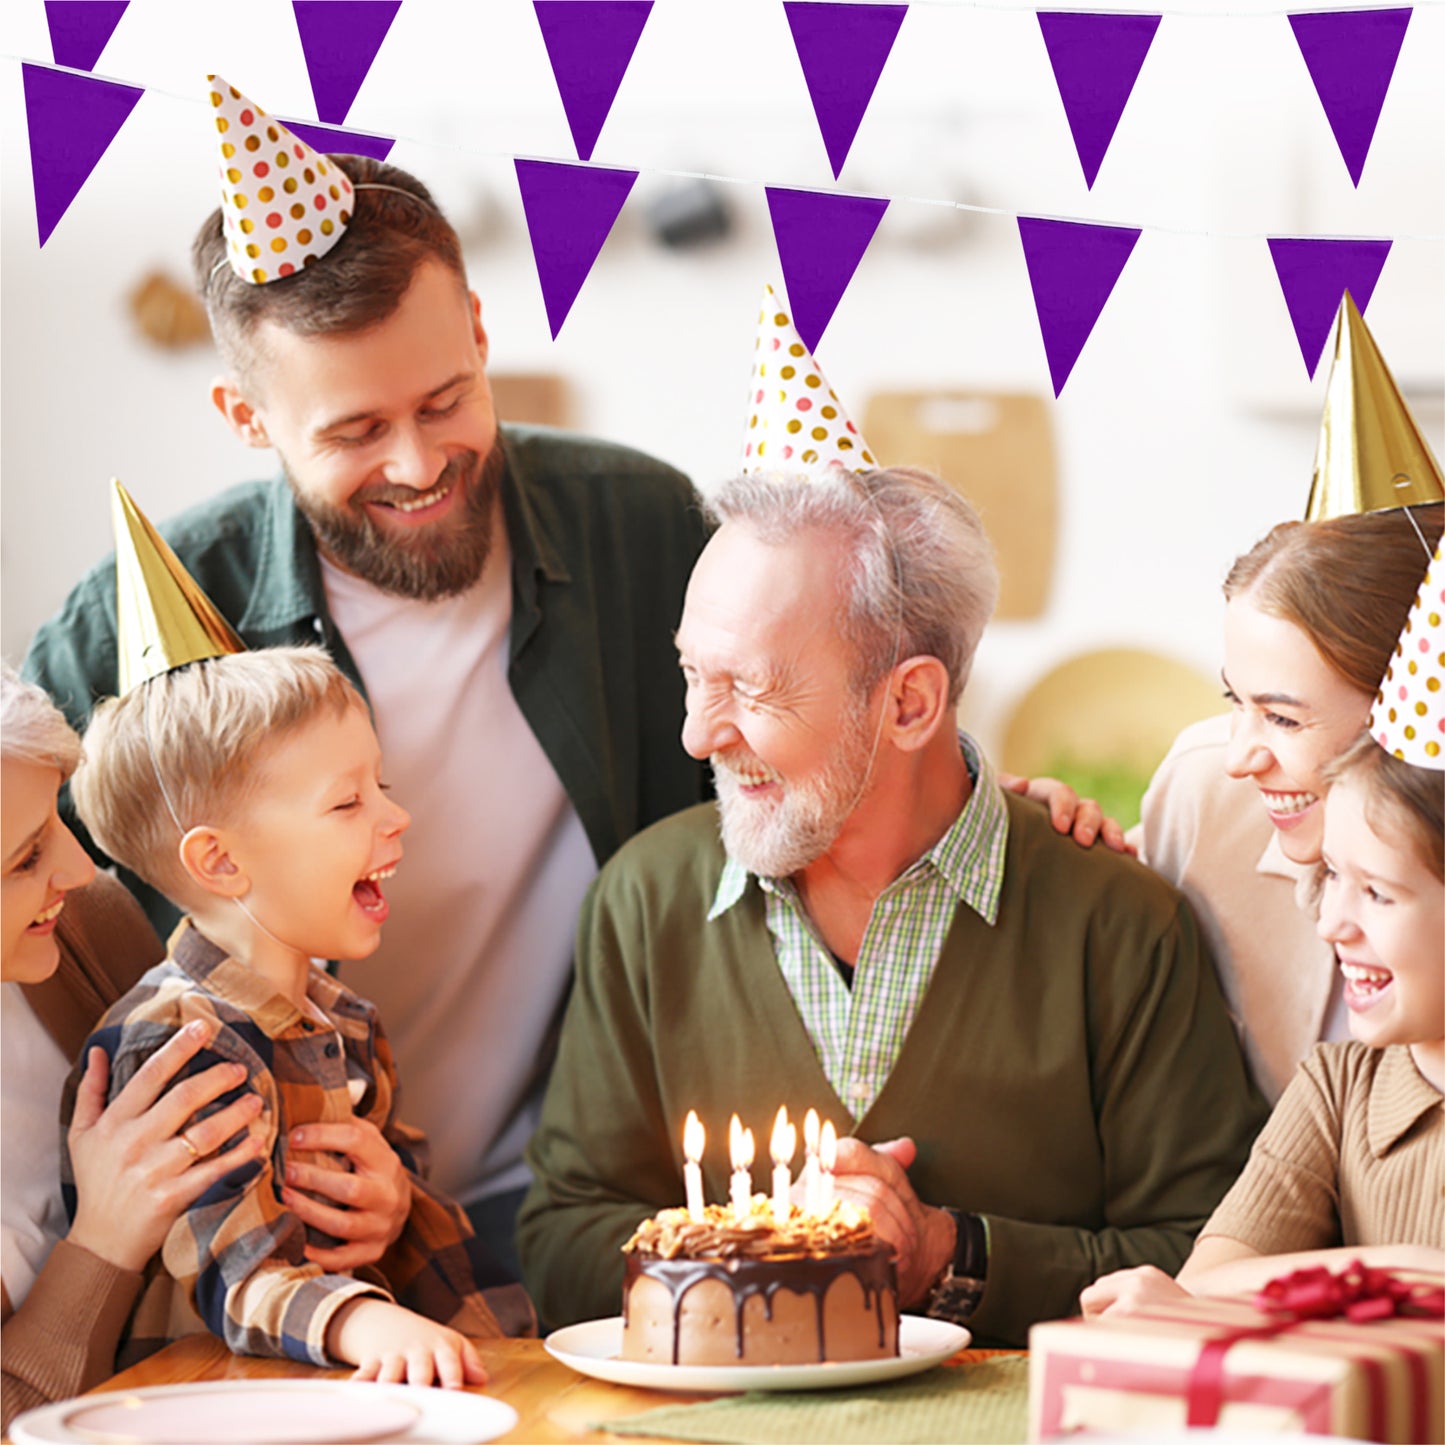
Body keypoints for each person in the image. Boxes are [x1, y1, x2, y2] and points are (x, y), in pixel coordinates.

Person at [23, 90, 711, 1275]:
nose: (416, 461)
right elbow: (30, 893)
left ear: (481, 331)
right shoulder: (139, 617)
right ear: (247, 415)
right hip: (269, 1235)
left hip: (576, 1204)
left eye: (445, 400)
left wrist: (979, 797)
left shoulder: (639, 527)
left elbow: (807, 738)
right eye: (354, 430)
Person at [515, 466, 1266, 1347]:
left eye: (750, 688)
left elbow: (1209, 1257)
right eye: (692, 672)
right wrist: (774, 1263)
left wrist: (951, 1255)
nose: (696, 732)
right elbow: (559, 1239)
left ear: (908, 702)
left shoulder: (1119, 924)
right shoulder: (642, 902)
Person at [66, 645, 501, 1382]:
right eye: (347, 801)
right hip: (204, 1412)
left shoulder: (348, 1022)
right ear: (220, 862)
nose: (396, 814)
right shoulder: (177, 1043)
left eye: (381, 783)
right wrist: (360, 1319)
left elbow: (416, 1238)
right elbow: (234, 1269)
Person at [1082, 730, 1444, 1316]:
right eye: (1332, 875)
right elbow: (1204, 1283)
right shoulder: (1338, 1089)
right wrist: (1409, 1272)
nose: (1330, 923)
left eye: (1376, 893)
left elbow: (1220, 1295)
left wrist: (1357, 1277)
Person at [1, 666, 262, 1431]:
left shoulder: (86, 925)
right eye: (24, 858)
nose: (78, 870)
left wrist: (372, 1199)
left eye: (58, 821)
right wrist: (103, 1244)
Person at [1136, 503, 1442, 1104]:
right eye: (1235, 700)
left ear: (1408, 706)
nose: (1240, 757)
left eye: (1282, 717)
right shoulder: (1205, 798)